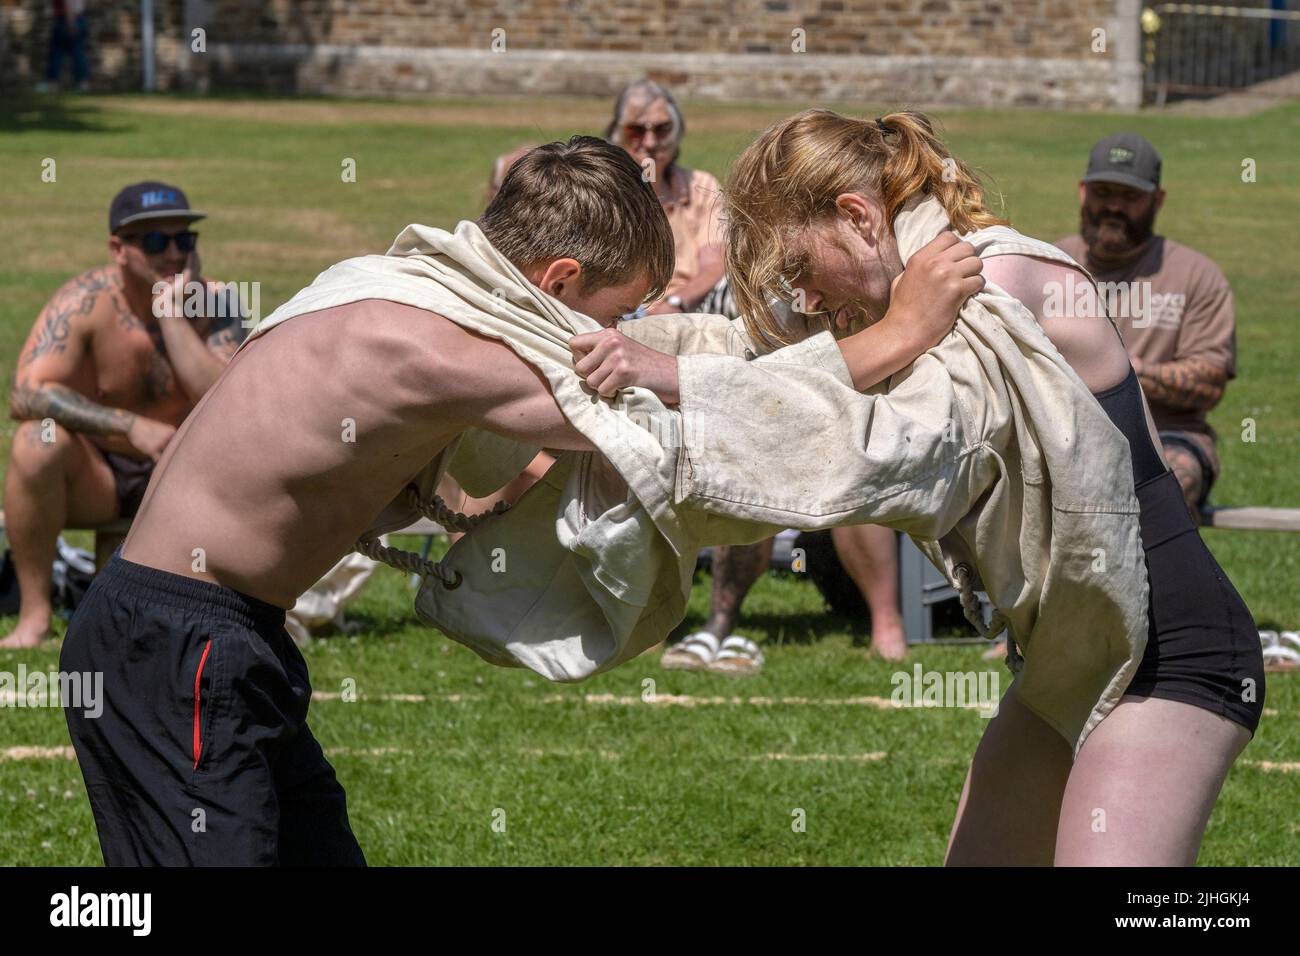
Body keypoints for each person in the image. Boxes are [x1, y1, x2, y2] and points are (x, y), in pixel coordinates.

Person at [60, 134, 973, 866]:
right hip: (175, 645)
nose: (611, 338)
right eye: (609, 315)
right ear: (559, 284)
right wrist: (901, 331)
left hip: (220, 636)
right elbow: (684, 428)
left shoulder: (396, 287)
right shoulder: (437, 352)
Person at [572, 109, 1265, 865]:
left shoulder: (991, 279)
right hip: (1068, 657)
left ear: (860, 215)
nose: (802, 300)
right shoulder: (898, 297)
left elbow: (890, 452)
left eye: (800, 269)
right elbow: (758, 355)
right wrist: (593, 354)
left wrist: (682, 385)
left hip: (1173, 652)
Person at [2, 181, 243, 649]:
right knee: (37, 440)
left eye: (184, 240)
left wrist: (172, 316)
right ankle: (34, 617)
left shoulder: (218, 305)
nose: (173, 253)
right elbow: (26, 394)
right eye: (156, 241)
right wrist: (129, 425)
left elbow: (228, 401)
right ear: (119, 248)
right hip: (103, 476)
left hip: (185, 481)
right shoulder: (84, 302)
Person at [1056, 132, 1237, 520]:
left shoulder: (1194, 275)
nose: (1114, 207)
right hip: (1065, 432)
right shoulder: (1051, 266)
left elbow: (1209, 383)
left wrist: (1124, 370)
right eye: (1105, 192)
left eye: (1130, 197)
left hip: (1167, 435)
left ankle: (1161, 581)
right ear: (1083, 192)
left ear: (1158, 200)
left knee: (1168, 484)